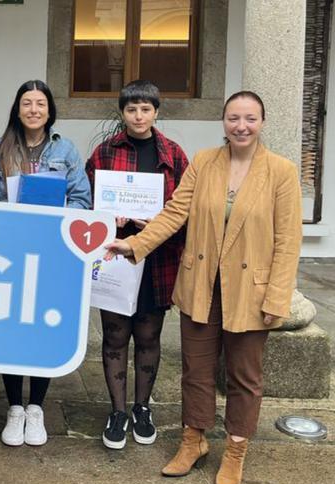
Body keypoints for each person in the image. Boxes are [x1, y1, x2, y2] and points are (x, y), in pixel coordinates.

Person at [105, 91, 302, 484]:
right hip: (201, 283)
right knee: (195, 370)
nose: (241, 126)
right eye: (233, 118)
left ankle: (235, 448)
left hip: (250, 290)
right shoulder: (205, 163)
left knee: (244, 376)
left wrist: (277, 297)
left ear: (262, 122)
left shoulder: (281, 171)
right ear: (223, 121)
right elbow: (176, 212)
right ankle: (193, 440)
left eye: (249, 118)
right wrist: (135, 245)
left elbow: (288, 240)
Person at [0, 79, 91, 447]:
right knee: (12, 328)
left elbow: (82, 200)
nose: (33, 109)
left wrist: (55, 212)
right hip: (9, 253)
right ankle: (14, 407)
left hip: (50, 253)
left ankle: (36, 407)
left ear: (49, 110)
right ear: (17, 108)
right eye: (26, 103)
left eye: (40, 103)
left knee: (41, 326)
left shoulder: (67, 150)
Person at [84, 80, 189, 450]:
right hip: (115, 255)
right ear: (122, 112)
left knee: (148, 337)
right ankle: (117, 411)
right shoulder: (105, 153)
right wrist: (109, 218)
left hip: (157, 258)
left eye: (145, 109)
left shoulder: (174, 155)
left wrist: (154, 222)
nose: (138, 116)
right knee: (115, 337)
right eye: (131, 109)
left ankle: (142, 408)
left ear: (156, 112)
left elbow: (185, 209)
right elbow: (86, 200)